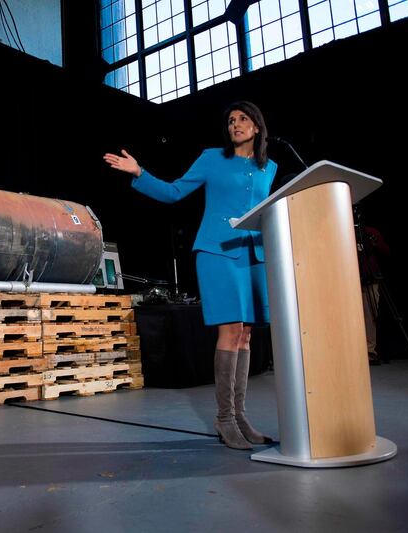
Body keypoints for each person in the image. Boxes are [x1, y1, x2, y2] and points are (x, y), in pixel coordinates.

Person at [104, 101, 277, 450]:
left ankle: (240, 415)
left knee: (245, 335)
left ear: (257, 127)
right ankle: (224, 418)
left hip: (253, 255)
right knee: (229, 330)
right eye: (231, 120)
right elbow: (175, 191)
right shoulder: (213, 158)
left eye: (243, 120)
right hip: (218, 251)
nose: (236, 125)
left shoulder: (268, 168)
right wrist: (140, 173)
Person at [357, 223, 390, 365]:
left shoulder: (370, 231)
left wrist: (374, 242)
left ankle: (370, 351)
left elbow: (386, 251)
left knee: (370, 316)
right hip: (350, 277)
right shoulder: (343, 229)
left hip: (370, 278)